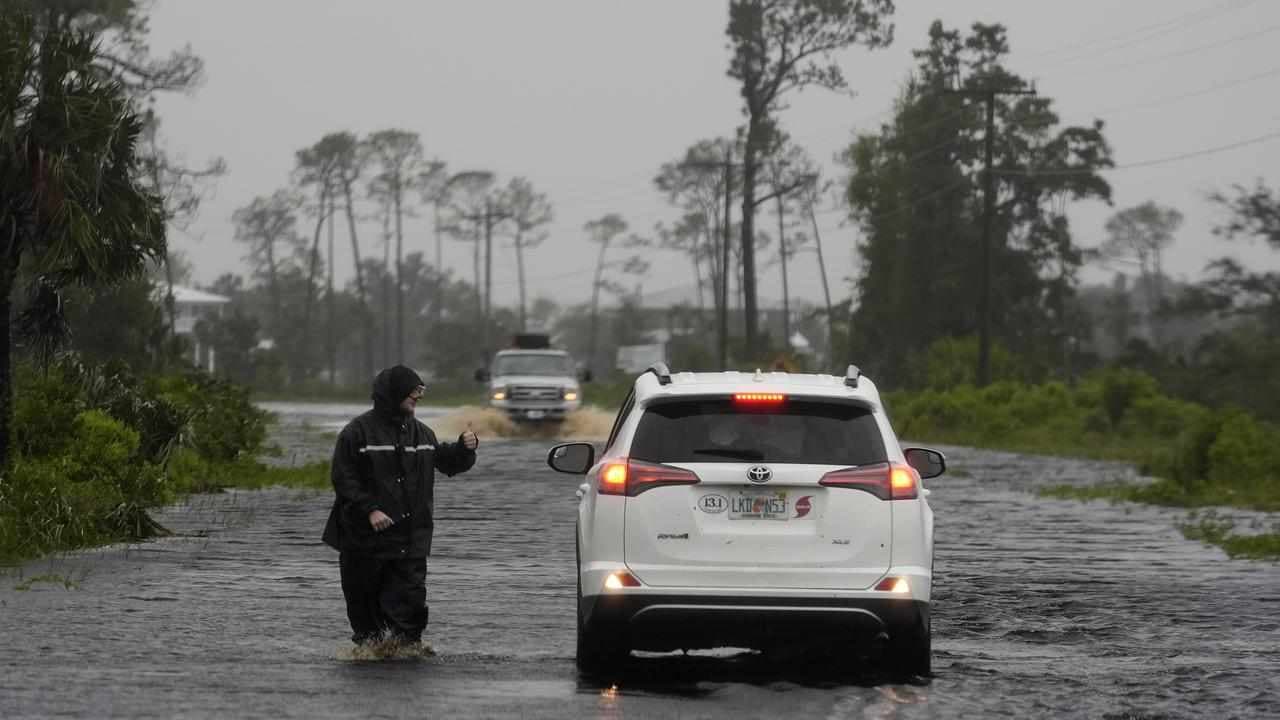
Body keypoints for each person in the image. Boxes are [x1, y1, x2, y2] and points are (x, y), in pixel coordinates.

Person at [322, 365, 479, 651]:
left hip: (410, 543)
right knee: (367, 619)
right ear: (392, 393)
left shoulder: (423, 434)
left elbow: (448, 463)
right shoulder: (356, 434)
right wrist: (370, 510)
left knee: (408, 618)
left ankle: (407, 660)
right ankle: (370, 662)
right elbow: (343, 479)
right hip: (363, 543)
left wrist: (464, 449)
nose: (417, 398)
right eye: (413, 392)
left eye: (420, 392)